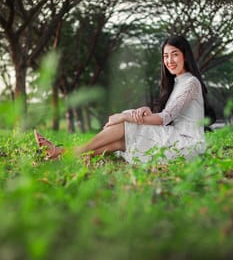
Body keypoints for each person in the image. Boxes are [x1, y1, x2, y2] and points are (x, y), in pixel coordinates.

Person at [34, 35, 215, 164]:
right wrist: (147, 110)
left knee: (126, 121)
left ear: (185, 55)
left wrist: (122, 117)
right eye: (166, 56)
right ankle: (65, 157)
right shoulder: (177, 82)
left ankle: (63, 152)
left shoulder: (191, 82)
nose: (169, 60)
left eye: (174, 54)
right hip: (177, 137)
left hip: (187, 145)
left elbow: (165, 118)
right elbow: (168, 115)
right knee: (121, 143)